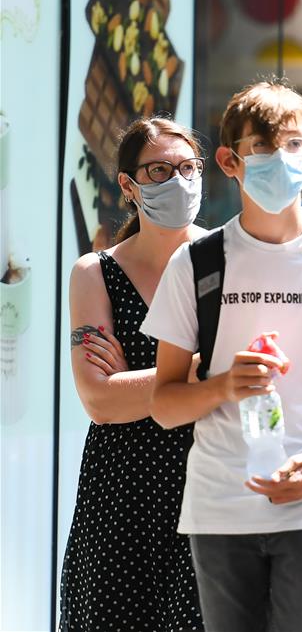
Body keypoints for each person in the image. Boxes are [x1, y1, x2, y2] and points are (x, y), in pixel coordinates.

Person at [140, 80, 302, 632]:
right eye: (260, 148)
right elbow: (165, 405)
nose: (277, 160)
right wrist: (222, 386)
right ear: (229, 161)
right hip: (220, 506)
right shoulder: (196, 262)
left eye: (290, 145)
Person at [60, 117, 206, 631]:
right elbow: (100, 402)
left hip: (209, 483)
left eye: (189, 168)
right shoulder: (94, 273)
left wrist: (142, 381)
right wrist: (201, 372)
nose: (179, 181)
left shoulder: (228, 259)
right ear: (128, 184)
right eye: (161, 170)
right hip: (122, 494)